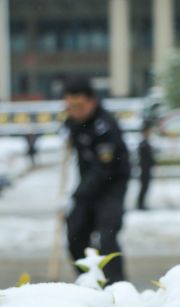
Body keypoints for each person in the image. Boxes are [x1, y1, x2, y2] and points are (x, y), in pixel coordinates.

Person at [63, 77, 130, 284]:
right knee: (75, 233)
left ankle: (115, 286)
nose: (74, 111)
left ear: (92, 102)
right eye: (70, 106)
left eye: (79, 106)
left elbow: (105, 168)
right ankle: (88, 281)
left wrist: (79, 192)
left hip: (110, 187)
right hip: (87, 187)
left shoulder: (105, 126)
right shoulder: (74, 122)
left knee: (106, 237)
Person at [136, 124, 155, 211]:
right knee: (143, 187)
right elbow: (144, 158)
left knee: (145, 187)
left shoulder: (147, 143)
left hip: (147, 169)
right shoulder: (143, 144)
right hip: (144, 170)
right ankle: (140, 204)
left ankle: (142, 203)